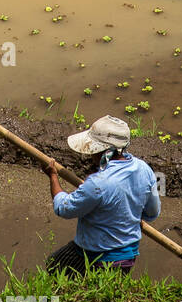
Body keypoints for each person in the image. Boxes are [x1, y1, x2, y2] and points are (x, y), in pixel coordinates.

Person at [42, 115, 160, 275]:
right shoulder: (147, 169)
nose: (91, 155)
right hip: (128, 256)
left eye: (94, 150)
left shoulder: (97, 183)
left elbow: (63, 208)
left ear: (105, 152)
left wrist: (53, 176)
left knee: (53, 265)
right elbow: (153, 213)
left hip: (96, 256)